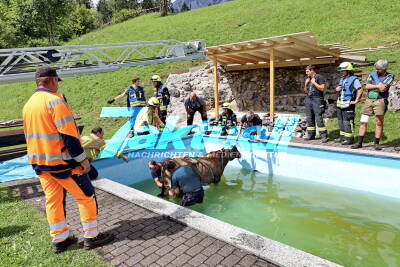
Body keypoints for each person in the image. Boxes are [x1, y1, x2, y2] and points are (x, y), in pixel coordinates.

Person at [23, 66, 113, 254]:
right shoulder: (55, 102)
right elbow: (70, 138)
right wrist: (83, 161)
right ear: (53, 80)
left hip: (41, 164)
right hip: (63, 165)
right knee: (86, 197)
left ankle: (60, 239)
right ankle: (92, 236)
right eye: (57, 81)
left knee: (53, 201)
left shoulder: (29, 104)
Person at [352, 59, 395, 150]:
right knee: (363, 121)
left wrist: (375, 82)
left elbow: (383, 89)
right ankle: (359, 143)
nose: (376, 70)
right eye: (376, 69)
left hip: (380, 100)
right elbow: (367, 86)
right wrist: (377, 86)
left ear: (384, 69)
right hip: (369, 100)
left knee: (379, 122)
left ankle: (376, 143)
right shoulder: (373, 74)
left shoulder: (390, 76)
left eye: (378, 69)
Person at [334, 62, 363, 145]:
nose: (341, 72)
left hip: (348, 105)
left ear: (348, 71)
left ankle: (349, 139)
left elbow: (360, 90)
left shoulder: (354, 79)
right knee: (340, 121)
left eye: (343, 71)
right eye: (340, 71)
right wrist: (337, 89)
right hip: (340, 105)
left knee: (347, 122)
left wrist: (356, 100)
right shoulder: (342, 79)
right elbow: (340, 88)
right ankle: (342, 137)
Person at [304, 65, 328, 143]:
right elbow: (306, 91)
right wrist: (305, 84)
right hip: (309, 99)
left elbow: (322, 88)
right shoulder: (308, 79)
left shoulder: (319, 77)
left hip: (317, 100)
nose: (306, 73)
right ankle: (311, 135)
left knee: (318, 119)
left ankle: (324, 136)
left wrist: (314, 83)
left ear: (312, 70)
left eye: (307, 71)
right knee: (309, 118)